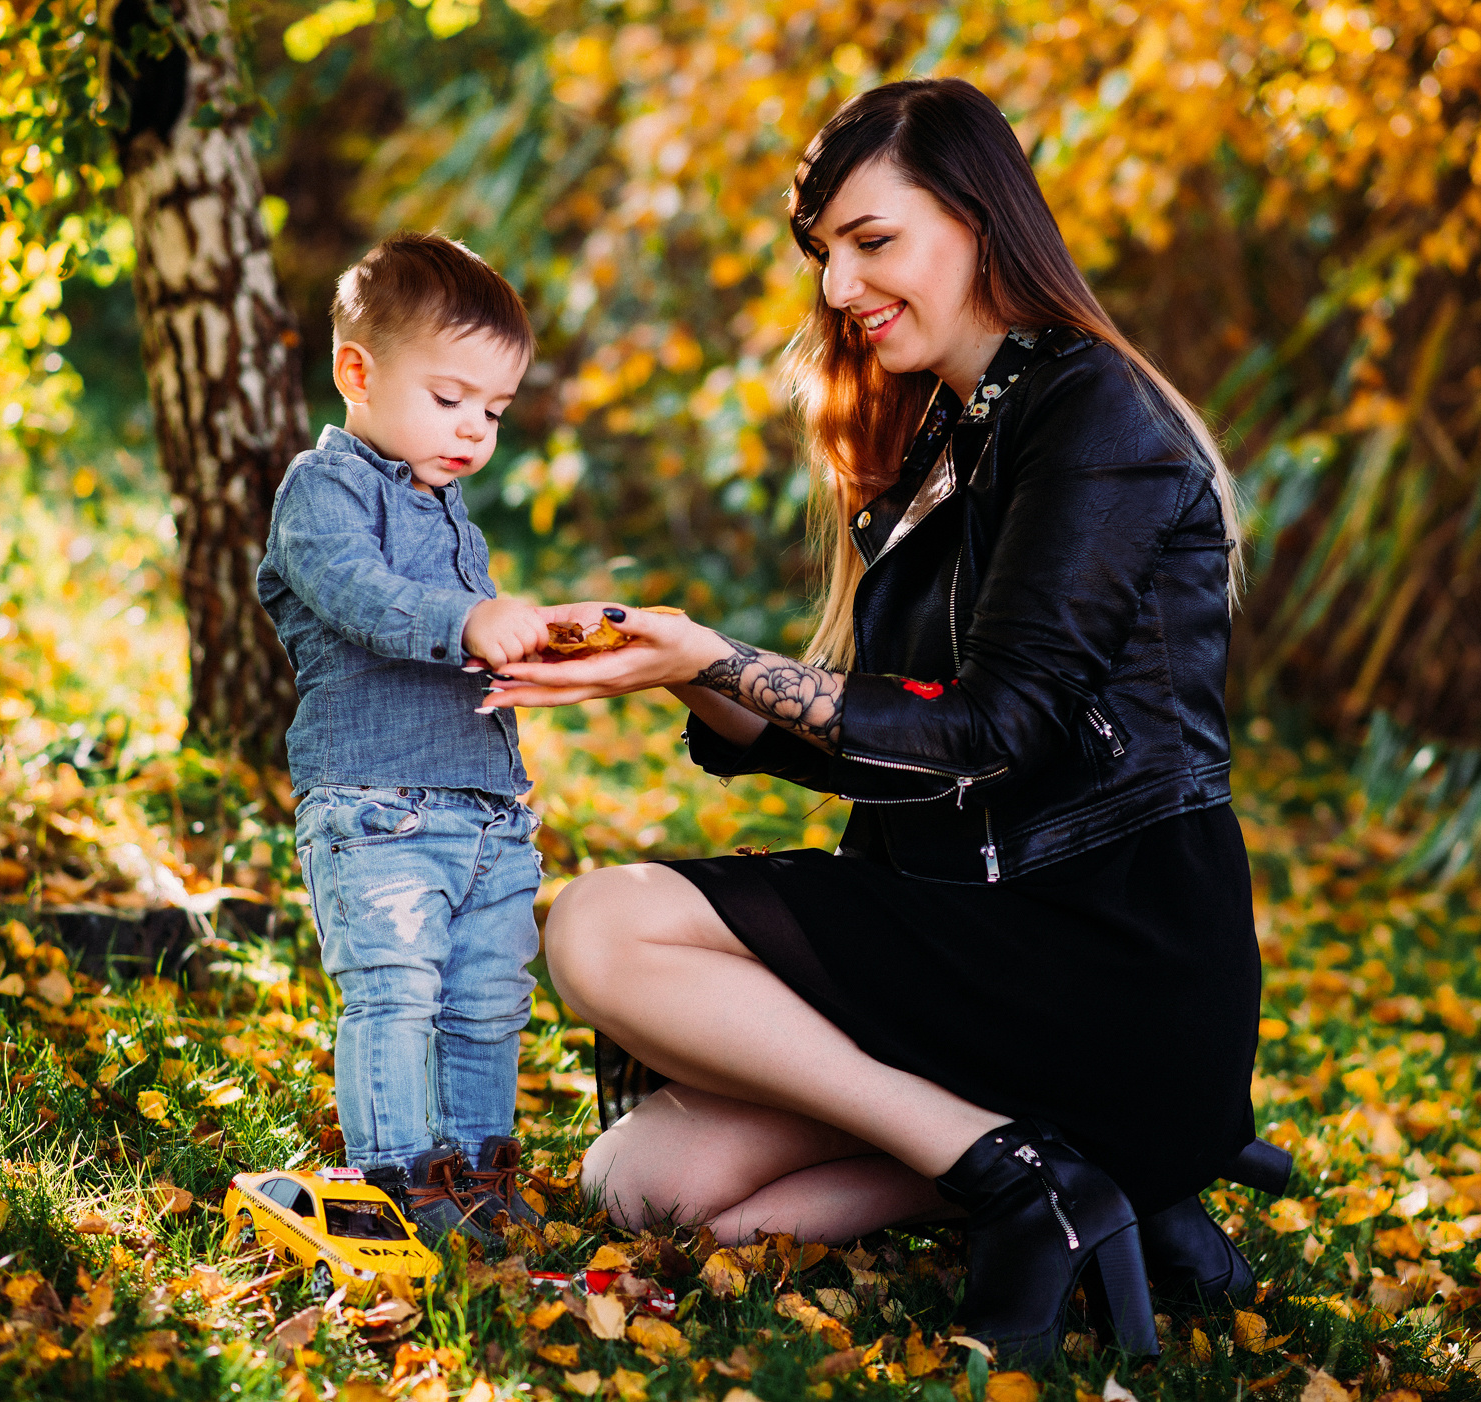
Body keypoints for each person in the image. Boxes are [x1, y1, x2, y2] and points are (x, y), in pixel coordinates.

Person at [487, 79, 1266, 1361]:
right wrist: (676, 665)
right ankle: (1073, 1170)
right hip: (975, 940)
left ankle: (1021, 1168)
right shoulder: (944, 438)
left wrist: (729, 660)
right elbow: (904, 742)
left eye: (872, 241)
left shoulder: (1094, 416)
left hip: (1105, 945)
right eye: (826, 254)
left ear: (979, 218)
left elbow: (994, 731)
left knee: (599, 920)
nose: (841, 288)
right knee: (640, 1187)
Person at [256, 231, 556, 1240]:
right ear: (357, 371)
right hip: (376, 807)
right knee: (394, 992)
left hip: (486, 812)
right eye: (451, 398)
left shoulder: (449, 511)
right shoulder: (321, 491)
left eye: (494, 411)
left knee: (485, 1002)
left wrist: (523, 652)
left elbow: (455, 631)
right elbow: (360, 596)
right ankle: (397, 1180)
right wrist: (468, 620)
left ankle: (477, 1175)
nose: (474, 428)